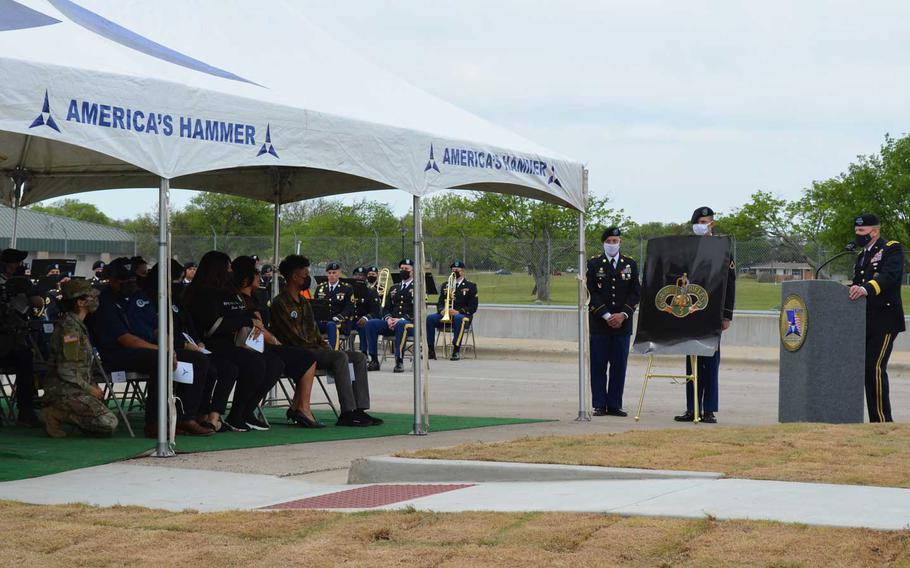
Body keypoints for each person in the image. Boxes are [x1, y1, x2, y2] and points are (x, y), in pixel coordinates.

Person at [91, 258, 213, 437]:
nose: (129, 282)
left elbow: (158, 328)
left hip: (153, 350)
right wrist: (163, 351)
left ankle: (186, 418)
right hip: (119, 354)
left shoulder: (139, 296)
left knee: (199, 359)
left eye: (132, 278)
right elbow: (126, 339)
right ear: (112, 280)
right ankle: (154, 423)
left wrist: (169, 346)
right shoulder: (104, 302)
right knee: (161, 361)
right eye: (124, 279)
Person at [270, 255, 382, 427]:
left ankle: (359, 410)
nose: (307, 278)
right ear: (294, 277)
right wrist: (323, 350)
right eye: (304, 274)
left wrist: (324, 346)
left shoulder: (303, 302)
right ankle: (347, 412)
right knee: (339, 357)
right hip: (298, 352)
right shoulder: (281, 302)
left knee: (358, 357)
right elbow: (291, 337)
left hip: (313, 349)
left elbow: (313, 331)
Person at [183, 251, 283, 432]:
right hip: (207, 344)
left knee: (272, 361)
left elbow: (240, 314)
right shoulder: (203, 293)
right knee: (250, 364)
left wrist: (253, 319)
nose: (231, 271)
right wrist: (246, 321)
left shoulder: (228, 292)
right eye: (228, 268)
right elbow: (213, 326)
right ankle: (224, 415)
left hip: (231, 344)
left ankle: (237, 413)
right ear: (217, 269)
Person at [232, 256, 323, 428]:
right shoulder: (238, 299)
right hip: (249, 345)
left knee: (299, 358)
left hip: (263, 345)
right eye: (256, 273)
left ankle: (296, 408)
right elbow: (255, 326)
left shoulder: (256, 297)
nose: (259, 277)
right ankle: (240, 412)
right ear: (245, 277)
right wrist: (274, 340)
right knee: (277, 362)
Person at [674, 207, 735, 424]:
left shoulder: (722, 247)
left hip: (714, 312)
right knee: (692, 361)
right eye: (700, 221)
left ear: (712, 224)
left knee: (710, 360)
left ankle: (708, 409)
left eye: (707, 221)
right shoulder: (687, 248)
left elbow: (730, 284)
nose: (704, 224)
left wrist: (726, 315)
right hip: (691, 310)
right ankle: (692, 409)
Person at [40, 279, 119, 437]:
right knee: (108, 423)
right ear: (81, 302)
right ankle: (55, 413)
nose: (96, 300)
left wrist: (92, 384)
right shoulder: (70, 329)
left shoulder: (78, 325)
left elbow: (82, 365)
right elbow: (66, 370)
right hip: (63, 390)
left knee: (104, 420)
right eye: (91, 297)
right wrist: (90, 389)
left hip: (77, 387)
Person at [848, 213, 904, 422]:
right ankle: (875, 419)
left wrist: (865, 289)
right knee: (866, 369)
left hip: (885, 319)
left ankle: (881, 421)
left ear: (875, 231)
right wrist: (853, 288)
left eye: (862, 231)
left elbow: (889, 276)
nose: (858, 235)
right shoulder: (862, 255)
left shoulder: (892, 248)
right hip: (865, 320)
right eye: (856, 231)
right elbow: (857, 282)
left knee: (874, 367)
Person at [587, 228, 640, 417]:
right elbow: (590, 292)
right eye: (609, 240)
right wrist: (606, 315)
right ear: (603, 243)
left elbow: (635, 292)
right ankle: (600, 404)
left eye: (615, 240)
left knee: (619, 366)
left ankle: (615, 404)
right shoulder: (594, 263)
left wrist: (623, 314)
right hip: (600, 324)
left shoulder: (630, 264)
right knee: (599, 365)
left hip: (622, 324)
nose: (612, 244)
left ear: (620, 242)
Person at [0, 249, 41, 426]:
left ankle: (26, 410)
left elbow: (38, 303)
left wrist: (30, 292)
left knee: (26, 358)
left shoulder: (22, 282)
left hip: (15, 338)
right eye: (13, 262)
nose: (17, 266)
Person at [365, 258, 415, 373]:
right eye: (401, 269)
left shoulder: (418, 288)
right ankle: (373, 360)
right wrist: (388, 318)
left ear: (412, 271)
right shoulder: (394, 288)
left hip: (410, 325)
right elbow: (386, 307)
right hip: (392, 323)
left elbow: (419, 311)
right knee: (371, 324)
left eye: (406, 269)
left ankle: (399, 360)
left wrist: (401, 319)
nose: (403, 271)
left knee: (402, 324)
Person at [427, 260, 478, 361]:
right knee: (430, 318)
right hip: (446, 314)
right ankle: (431, 350)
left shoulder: (471, 286)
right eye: (453, 270)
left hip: (462, 316)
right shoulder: (446, 285)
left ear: (463, 271)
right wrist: (441, 310)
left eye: (457, 270)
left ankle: (456, 350)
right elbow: (440, 302)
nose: (454, 272)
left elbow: (473, 307)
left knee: (459, 318)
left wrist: (459, 312)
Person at [314, 262, 355, 350]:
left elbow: (349, 308)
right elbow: (315, 306)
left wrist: (338, 317)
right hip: (323, 322)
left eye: (334, 273)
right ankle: (314, 352)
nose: (332, 275)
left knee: (332, 325)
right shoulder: (320, 288)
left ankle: (333, 353)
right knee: (311, 324)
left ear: (339, 273)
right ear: (326, 274)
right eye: (329, 273)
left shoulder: (347, 288)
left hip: (340, 322)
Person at [351, 266, 381, 356]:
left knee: (364, 325)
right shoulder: (347, 290)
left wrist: (366, 318)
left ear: (365, 278)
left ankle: (364, 353)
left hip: (362, 320)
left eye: (362, 275)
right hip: (349, 320)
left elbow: (375, 311)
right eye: (356, 275)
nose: (359, 277)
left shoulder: (371, 291)